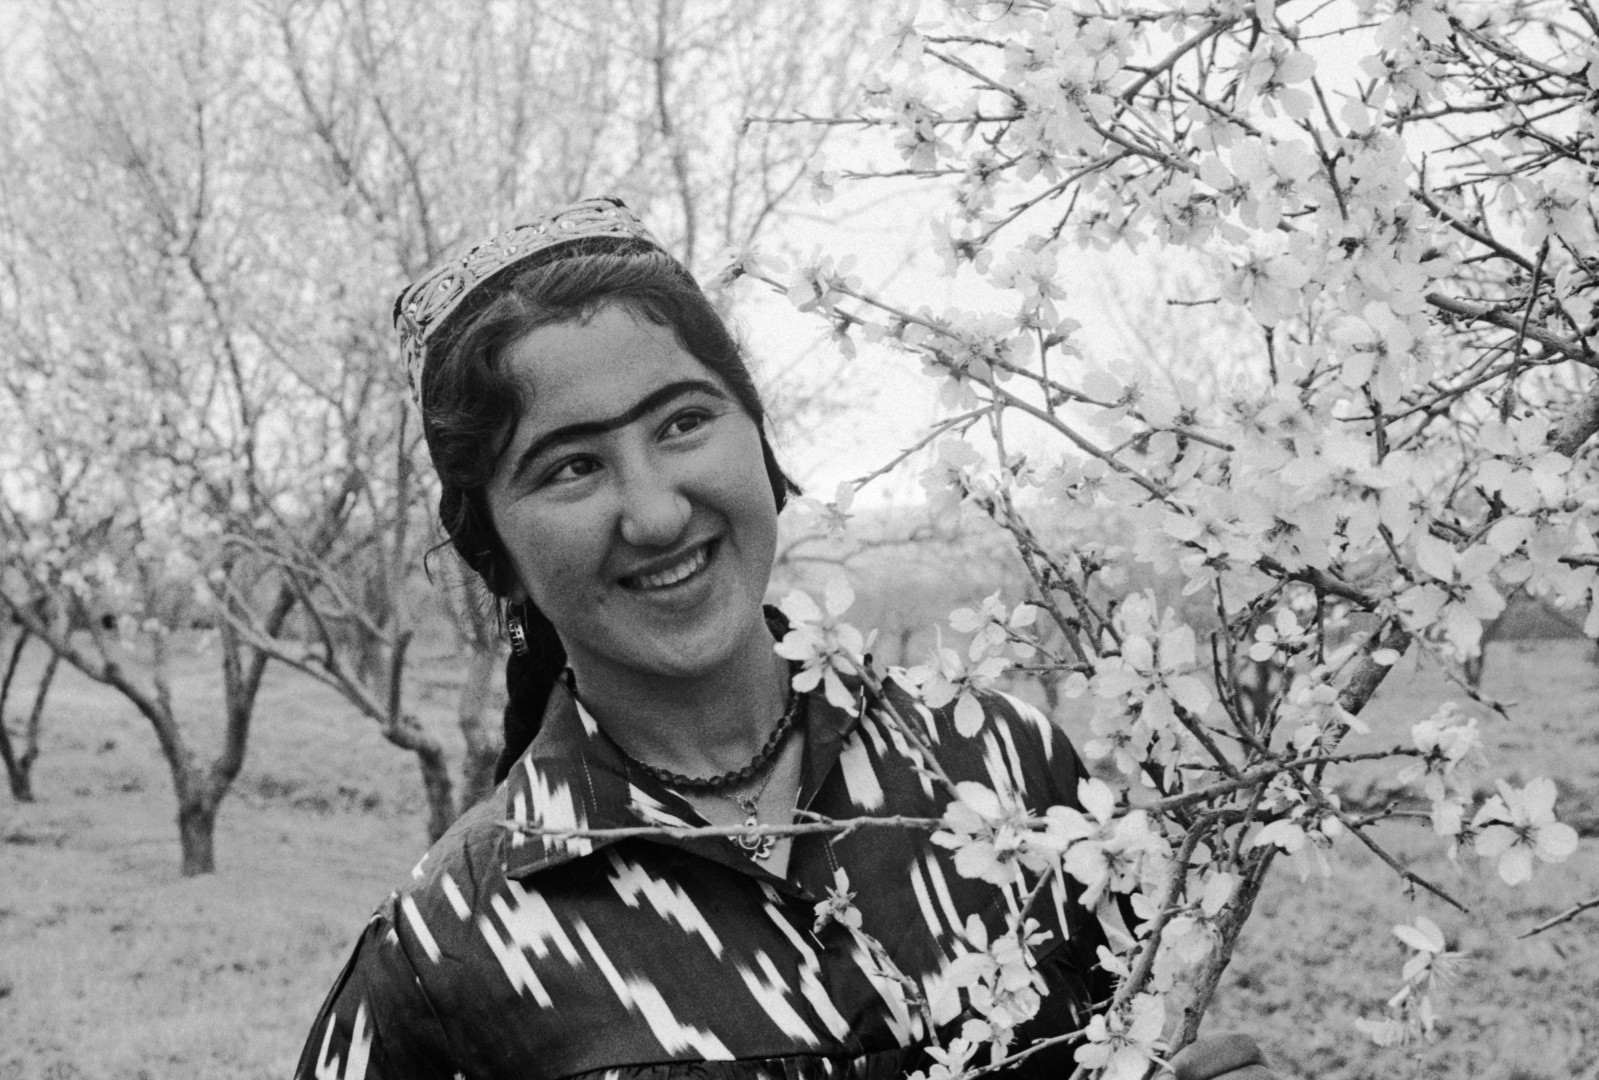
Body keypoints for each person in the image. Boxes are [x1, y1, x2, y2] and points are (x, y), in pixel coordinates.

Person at [294, 197, 1275, 1080]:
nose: (656, 513)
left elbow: (1139, 1036)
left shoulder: (1007, 768)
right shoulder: (448, 952)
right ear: (497, 555)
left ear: (760, 441)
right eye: (571, 468)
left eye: (682, 422)